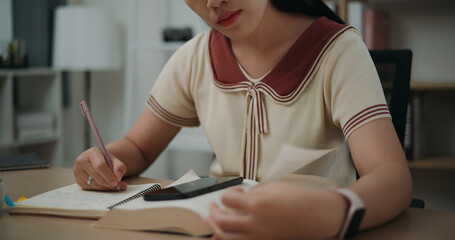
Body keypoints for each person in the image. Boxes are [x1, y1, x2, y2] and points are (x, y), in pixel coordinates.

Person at [73, 0, 412, 239]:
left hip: (310, 227)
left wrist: (334, 213)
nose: (214, 2)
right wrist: (105, 159)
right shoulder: (196, 56)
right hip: (221, 226)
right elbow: (138, 147)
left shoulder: (338, 50)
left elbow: (392, 176)